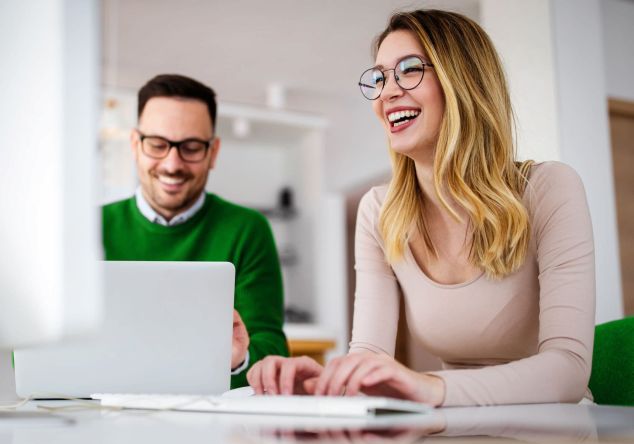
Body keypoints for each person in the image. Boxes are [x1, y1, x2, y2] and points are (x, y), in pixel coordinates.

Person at [247, 10, 595, 406]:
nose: (387, 92)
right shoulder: (379, 212)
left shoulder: (548, 189)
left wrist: (430, 387)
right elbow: (369, 355)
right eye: (379, 78)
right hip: (450, 426)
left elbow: (568, 369)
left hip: (554, 427)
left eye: (409, 70)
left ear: (463, 80)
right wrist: (323, 384)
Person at [102, 74, 288, 389]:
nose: (172, 164)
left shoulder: (247, 230)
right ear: (135, 145)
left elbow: (271, 348)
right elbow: (34, 348)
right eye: (158, 145)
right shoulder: (87, 228)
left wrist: (237, 360)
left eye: (190, 147)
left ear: (213, 152)